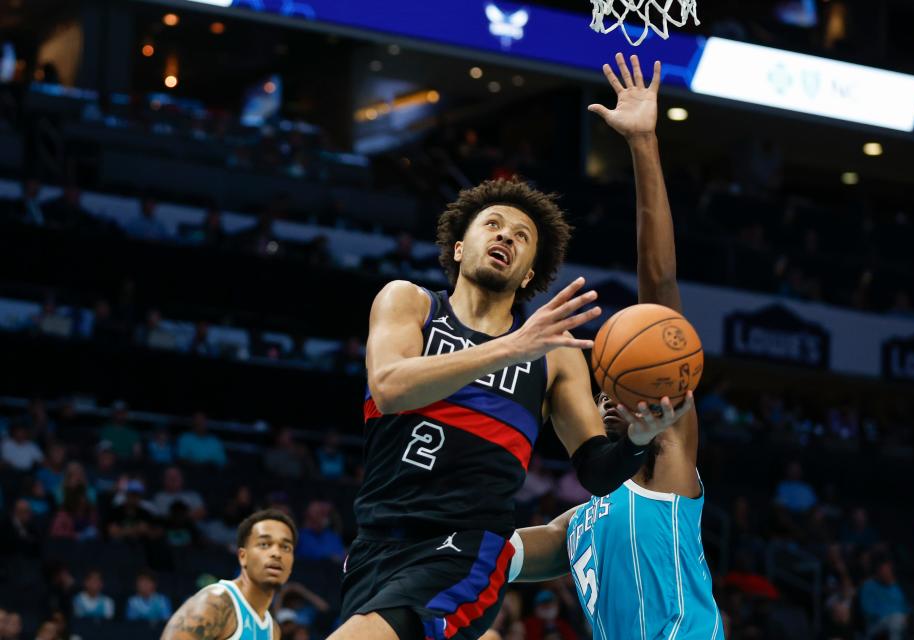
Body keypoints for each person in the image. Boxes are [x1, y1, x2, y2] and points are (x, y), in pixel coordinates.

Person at [334, 54, 690, 640]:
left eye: (522, 237)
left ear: (529, 274)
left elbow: (597, 472)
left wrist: (639, 442)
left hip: (465, 549)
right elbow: (391, 388)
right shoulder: (409, 303)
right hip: (374, 548)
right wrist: (509, 347)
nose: (506, 236)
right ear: (457, 247)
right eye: (493, 224)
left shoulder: (553, 354)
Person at [508, 54, 722, 639]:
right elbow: (506, 555)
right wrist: (422, 553)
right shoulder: (577, 524)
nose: (608, 398)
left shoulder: (669, 458)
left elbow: (660, 286)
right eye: (601, 389)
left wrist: (644, 145)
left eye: (622, 388)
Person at [160, 509, 297, 639]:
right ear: (243, 556)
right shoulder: (214, 604)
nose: (276, 554)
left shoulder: (272, 630)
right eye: (264, 544)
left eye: (286, 547)